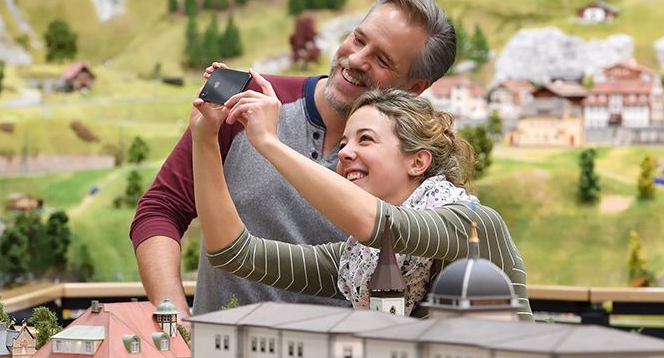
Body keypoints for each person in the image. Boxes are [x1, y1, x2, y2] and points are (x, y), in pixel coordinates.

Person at [131, 0, 458, 316]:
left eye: (382, 60)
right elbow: (162, 208)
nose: (356, 60)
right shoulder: (247, 100)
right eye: (358, 40)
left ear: (415, 88)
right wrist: (176, 321)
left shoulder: (411, 170)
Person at [191, 74, 532, 320]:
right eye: (343, 144)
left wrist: (270, 143)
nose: (345, 154)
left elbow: (386, 226)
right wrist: (205, 137)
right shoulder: (359, 262)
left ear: (418, 161)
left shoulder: (471, 224)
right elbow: (234, 254)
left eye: (365, 140)